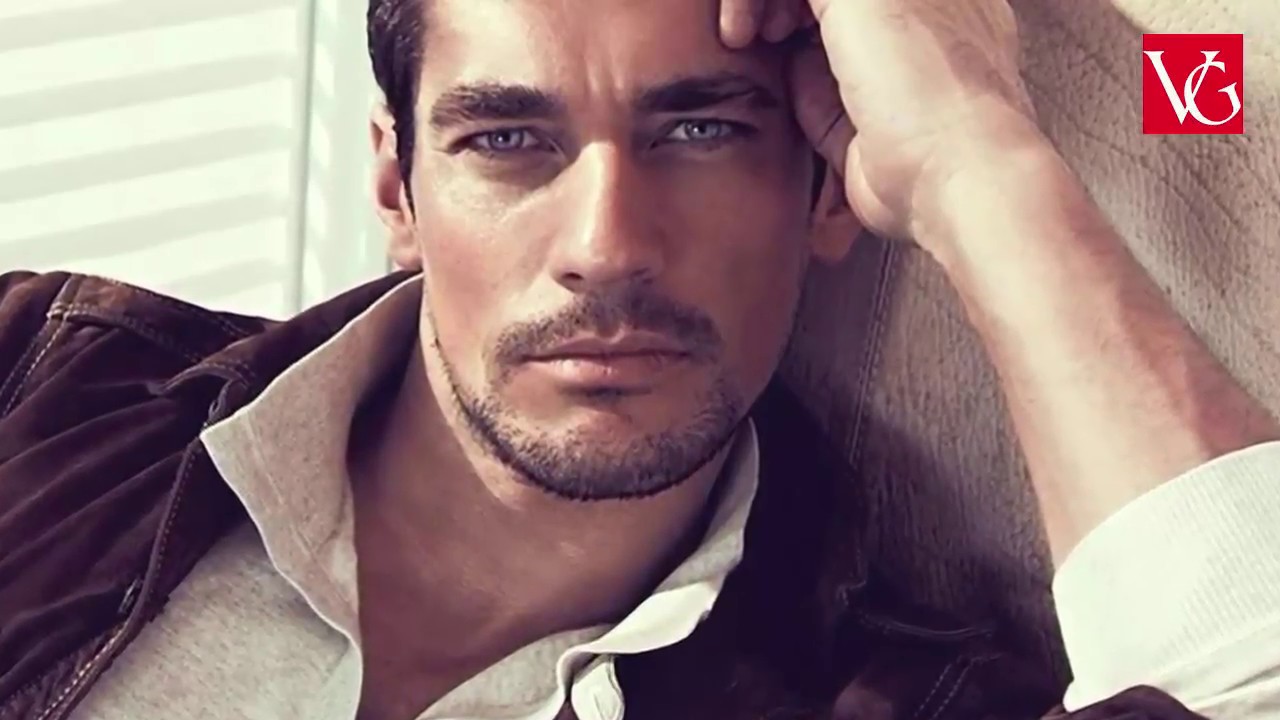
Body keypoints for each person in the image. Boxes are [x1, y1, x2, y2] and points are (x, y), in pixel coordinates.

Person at [0, 0, 1276, 717]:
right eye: (507, 140)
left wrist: (971, 161)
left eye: (702, 131)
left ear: (826, 192)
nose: (606, 248)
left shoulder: (903, 699)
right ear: (397, 188)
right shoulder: (31, 376)